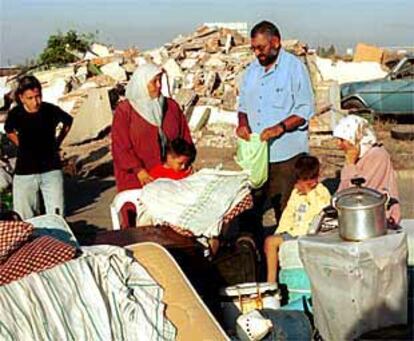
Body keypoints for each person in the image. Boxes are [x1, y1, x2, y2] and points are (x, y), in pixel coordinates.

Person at [236, 21, 314, 244]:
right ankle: (253, 261)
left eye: (260, 48)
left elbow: (304, 109)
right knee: (249, 212)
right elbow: (242, 106)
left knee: (286, 213)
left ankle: (286, 263)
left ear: (275, 43)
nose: (257, 53)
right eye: (254, 48)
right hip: (256, 156)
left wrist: (279, 128)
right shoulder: (252, 71)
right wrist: (242, 123)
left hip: (285, 155)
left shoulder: (294, 68)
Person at [111, 63, 193, 228]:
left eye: (160, 80)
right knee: (139, 223)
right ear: (142, 83)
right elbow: (120, 146)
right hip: (137, 178)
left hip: (170, 175)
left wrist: (186, 162)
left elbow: (184, 138)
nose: (159, 86)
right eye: (154, 81)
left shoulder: (170, 106)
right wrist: (138, 170)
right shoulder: (125, 111)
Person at [4, 76, 73, 219]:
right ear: (21, 98)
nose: (36, 102)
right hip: (25, 172)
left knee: (56, 216)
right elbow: (9, 131)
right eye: (30, 98)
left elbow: (68, 121)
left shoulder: (50, 110)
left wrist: (58, 142)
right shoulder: (16, 114)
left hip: (51, 170)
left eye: (38, 97)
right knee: (26, 218)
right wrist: (22, 145)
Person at [264, 155, 330, 283]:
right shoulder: (296, 194)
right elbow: (288, 214)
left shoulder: (321, 192)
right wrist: (280, 231)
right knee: (269, 242)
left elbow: (321, 210)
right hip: (293, 231)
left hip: (309, 233)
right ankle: (271, 282)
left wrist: (309, 193)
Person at [333, 114, 401, 223]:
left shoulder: (377, 155)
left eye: (342, 140)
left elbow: (360, 192)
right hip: (357, 216)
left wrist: (350, 164)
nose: (338, 145)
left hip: (377, 217)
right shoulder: (357, 157)